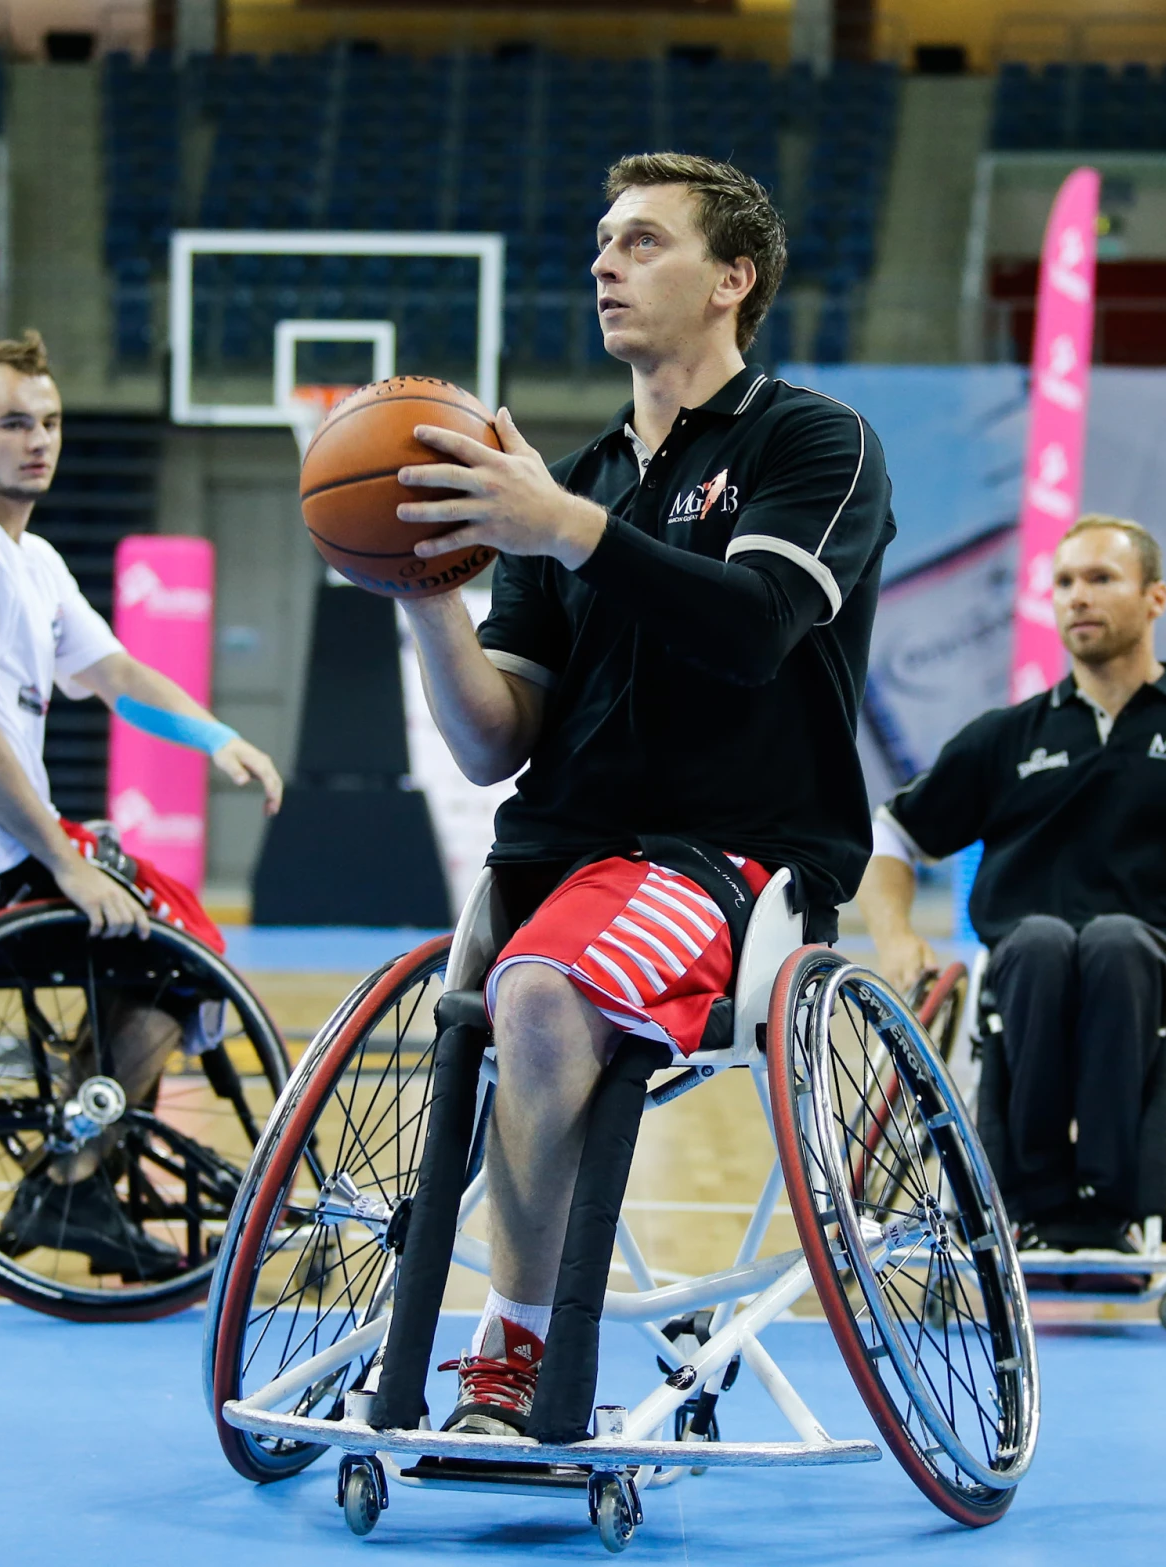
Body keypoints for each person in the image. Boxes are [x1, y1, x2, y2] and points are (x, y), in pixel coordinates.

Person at [388, 153, 892, 1436]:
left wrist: (561, 529)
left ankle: (507, 1360)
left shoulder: (811, 440)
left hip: (732, 858)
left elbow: (756, 625)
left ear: (733, 279)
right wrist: (427, 600)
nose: (606, 262)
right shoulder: (575, 478)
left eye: (644, 241)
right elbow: (496, 739)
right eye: (604, 240)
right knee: (529, 964)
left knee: (545, 992)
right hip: (556, 860)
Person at [0, 330, 283, 1277]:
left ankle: (88, 1156)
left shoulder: (28, 557)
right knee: (177, 965)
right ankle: (72, 1182)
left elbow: (114, 671)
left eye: (48, 421)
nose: (37, 440)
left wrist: (218, 737)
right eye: (12, 422)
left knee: (159, 920)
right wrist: (66, 859)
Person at [855, 515, 1166, 1273]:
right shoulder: (1006, 735)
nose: (1076, 597)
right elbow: (891, 840)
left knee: (1114, 942)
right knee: (1035, 943)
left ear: (1155, 597)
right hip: (1027, 970)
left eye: (1101, 578)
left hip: (1159, 972)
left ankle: (1113, 1201)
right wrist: (899, 941)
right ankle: (1030, 1201)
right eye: (1064, 582)